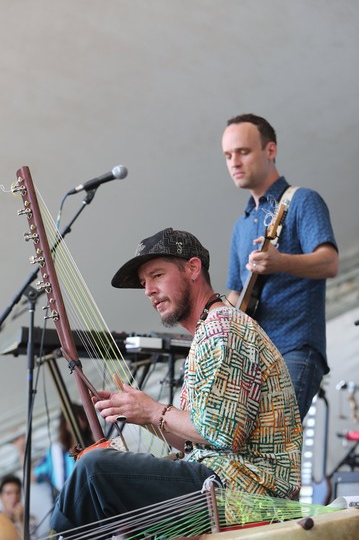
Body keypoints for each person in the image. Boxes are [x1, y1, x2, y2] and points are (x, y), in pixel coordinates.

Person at [50, 227, 302, 536]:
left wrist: (155, 411)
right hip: (223, 483)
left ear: (193, 268)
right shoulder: (210, 331)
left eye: (157, 275)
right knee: (101, 479)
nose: (148, 291)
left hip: (245, 492)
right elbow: (197, 439)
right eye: (144, 283)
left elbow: (223, 434)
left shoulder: (223, 328)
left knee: (95, 469)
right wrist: (141, 415)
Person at [222, 113, 339, 421]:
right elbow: (236, 296)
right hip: (252, 359)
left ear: (270, 150)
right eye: (228, 155)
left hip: (295, 348)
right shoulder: (241, 226)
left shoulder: (302, 201)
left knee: (274, 444)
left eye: (243, 152)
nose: (234, 161)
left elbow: (329, 262)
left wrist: (280, 262)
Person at [33, 403, 94, 498]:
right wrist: (21, 451)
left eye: (80, 417)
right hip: (65, 504)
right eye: (72, 417)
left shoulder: (94, 447)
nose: (76, 421)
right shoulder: (54, 451)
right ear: (64, 422)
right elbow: (34, 475)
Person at [0, 474, 38, 539]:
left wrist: (22, 522)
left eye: (17, 492)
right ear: (1, 498)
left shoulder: (30, 519)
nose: (14, 496)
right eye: (9, 493)